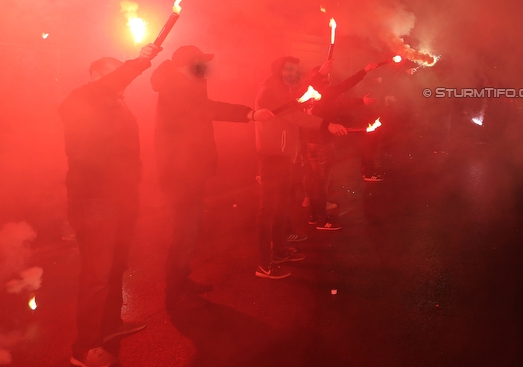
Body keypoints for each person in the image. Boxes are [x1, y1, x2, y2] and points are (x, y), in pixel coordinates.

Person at [58, 43, 161, 367]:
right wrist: (140, 62)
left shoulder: (117, 107)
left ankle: (109, 325)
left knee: (116, 266)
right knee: (96, 275)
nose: (122, 82)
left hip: (120, 198)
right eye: (114, 74)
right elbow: (109, 87)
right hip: (95, 200)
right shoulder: (80, 99)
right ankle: (84, 347)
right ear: (95, 76)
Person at [151, 45, 273, 307]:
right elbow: (206, 109)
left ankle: (181, 279)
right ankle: (174, 291)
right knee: (184, 229)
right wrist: (249, 114)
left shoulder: (183, 82)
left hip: (189, 169)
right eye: (201, 62)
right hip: (179, 172)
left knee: (189, 228)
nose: (205, 66)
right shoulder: (177, 85)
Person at [254, 57, 325, 279]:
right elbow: (291, 117)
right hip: (272, 156)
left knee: (281, 207)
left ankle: (280, 252)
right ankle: (264, 264)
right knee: (268, 211)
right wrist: (326, 124)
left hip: (284, 156)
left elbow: (292, 110)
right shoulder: (269, 90)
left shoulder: (283, 88)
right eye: (288, 69)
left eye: (294, 70)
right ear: (278, 70)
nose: (292, 73)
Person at [304, 59, 378, 230]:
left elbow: (341, 103)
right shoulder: (318, 94)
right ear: (318, 81)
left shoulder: (318, 97)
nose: (328, 80)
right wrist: (365, 70)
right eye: (325, 78)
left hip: (316, 141)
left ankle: (315, 215)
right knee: (321, 182)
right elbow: (346, 85)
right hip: (320, 143)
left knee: (317, 180)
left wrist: (361, 101)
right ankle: (321, 219)